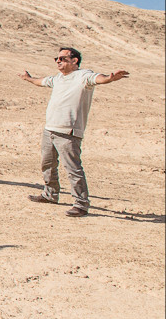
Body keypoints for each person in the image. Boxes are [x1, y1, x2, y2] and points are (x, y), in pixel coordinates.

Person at [19, 47, 129, 217]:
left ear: (74, 60)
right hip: (50, 129)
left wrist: (110, 78)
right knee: (47, 165)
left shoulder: (83, 76)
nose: (58, 61)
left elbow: (98, 79)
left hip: (68, 132)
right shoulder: (58, 79)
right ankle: (50, 194)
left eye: (62, 58)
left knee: (73, 169)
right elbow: (41, 82)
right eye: (57, 58)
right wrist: (28, 78)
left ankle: (81, 204)